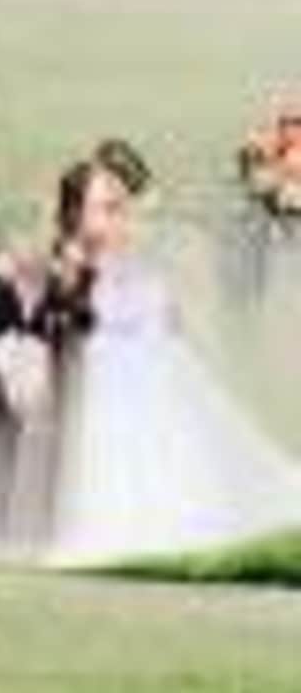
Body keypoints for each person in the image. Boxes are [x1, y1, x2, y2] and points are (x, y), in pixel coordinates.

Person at [45, 140, 301, 566]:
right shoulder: (74, 261)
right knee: (122, 449)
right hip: (112, 364)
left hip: (149, 357)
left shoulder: (138, 251)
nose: (115, 215)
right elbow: (73, 311)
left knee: (173, 440)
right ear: (79, 214)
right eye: (103, 207)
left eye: (115, 204)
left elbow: (161, 287)